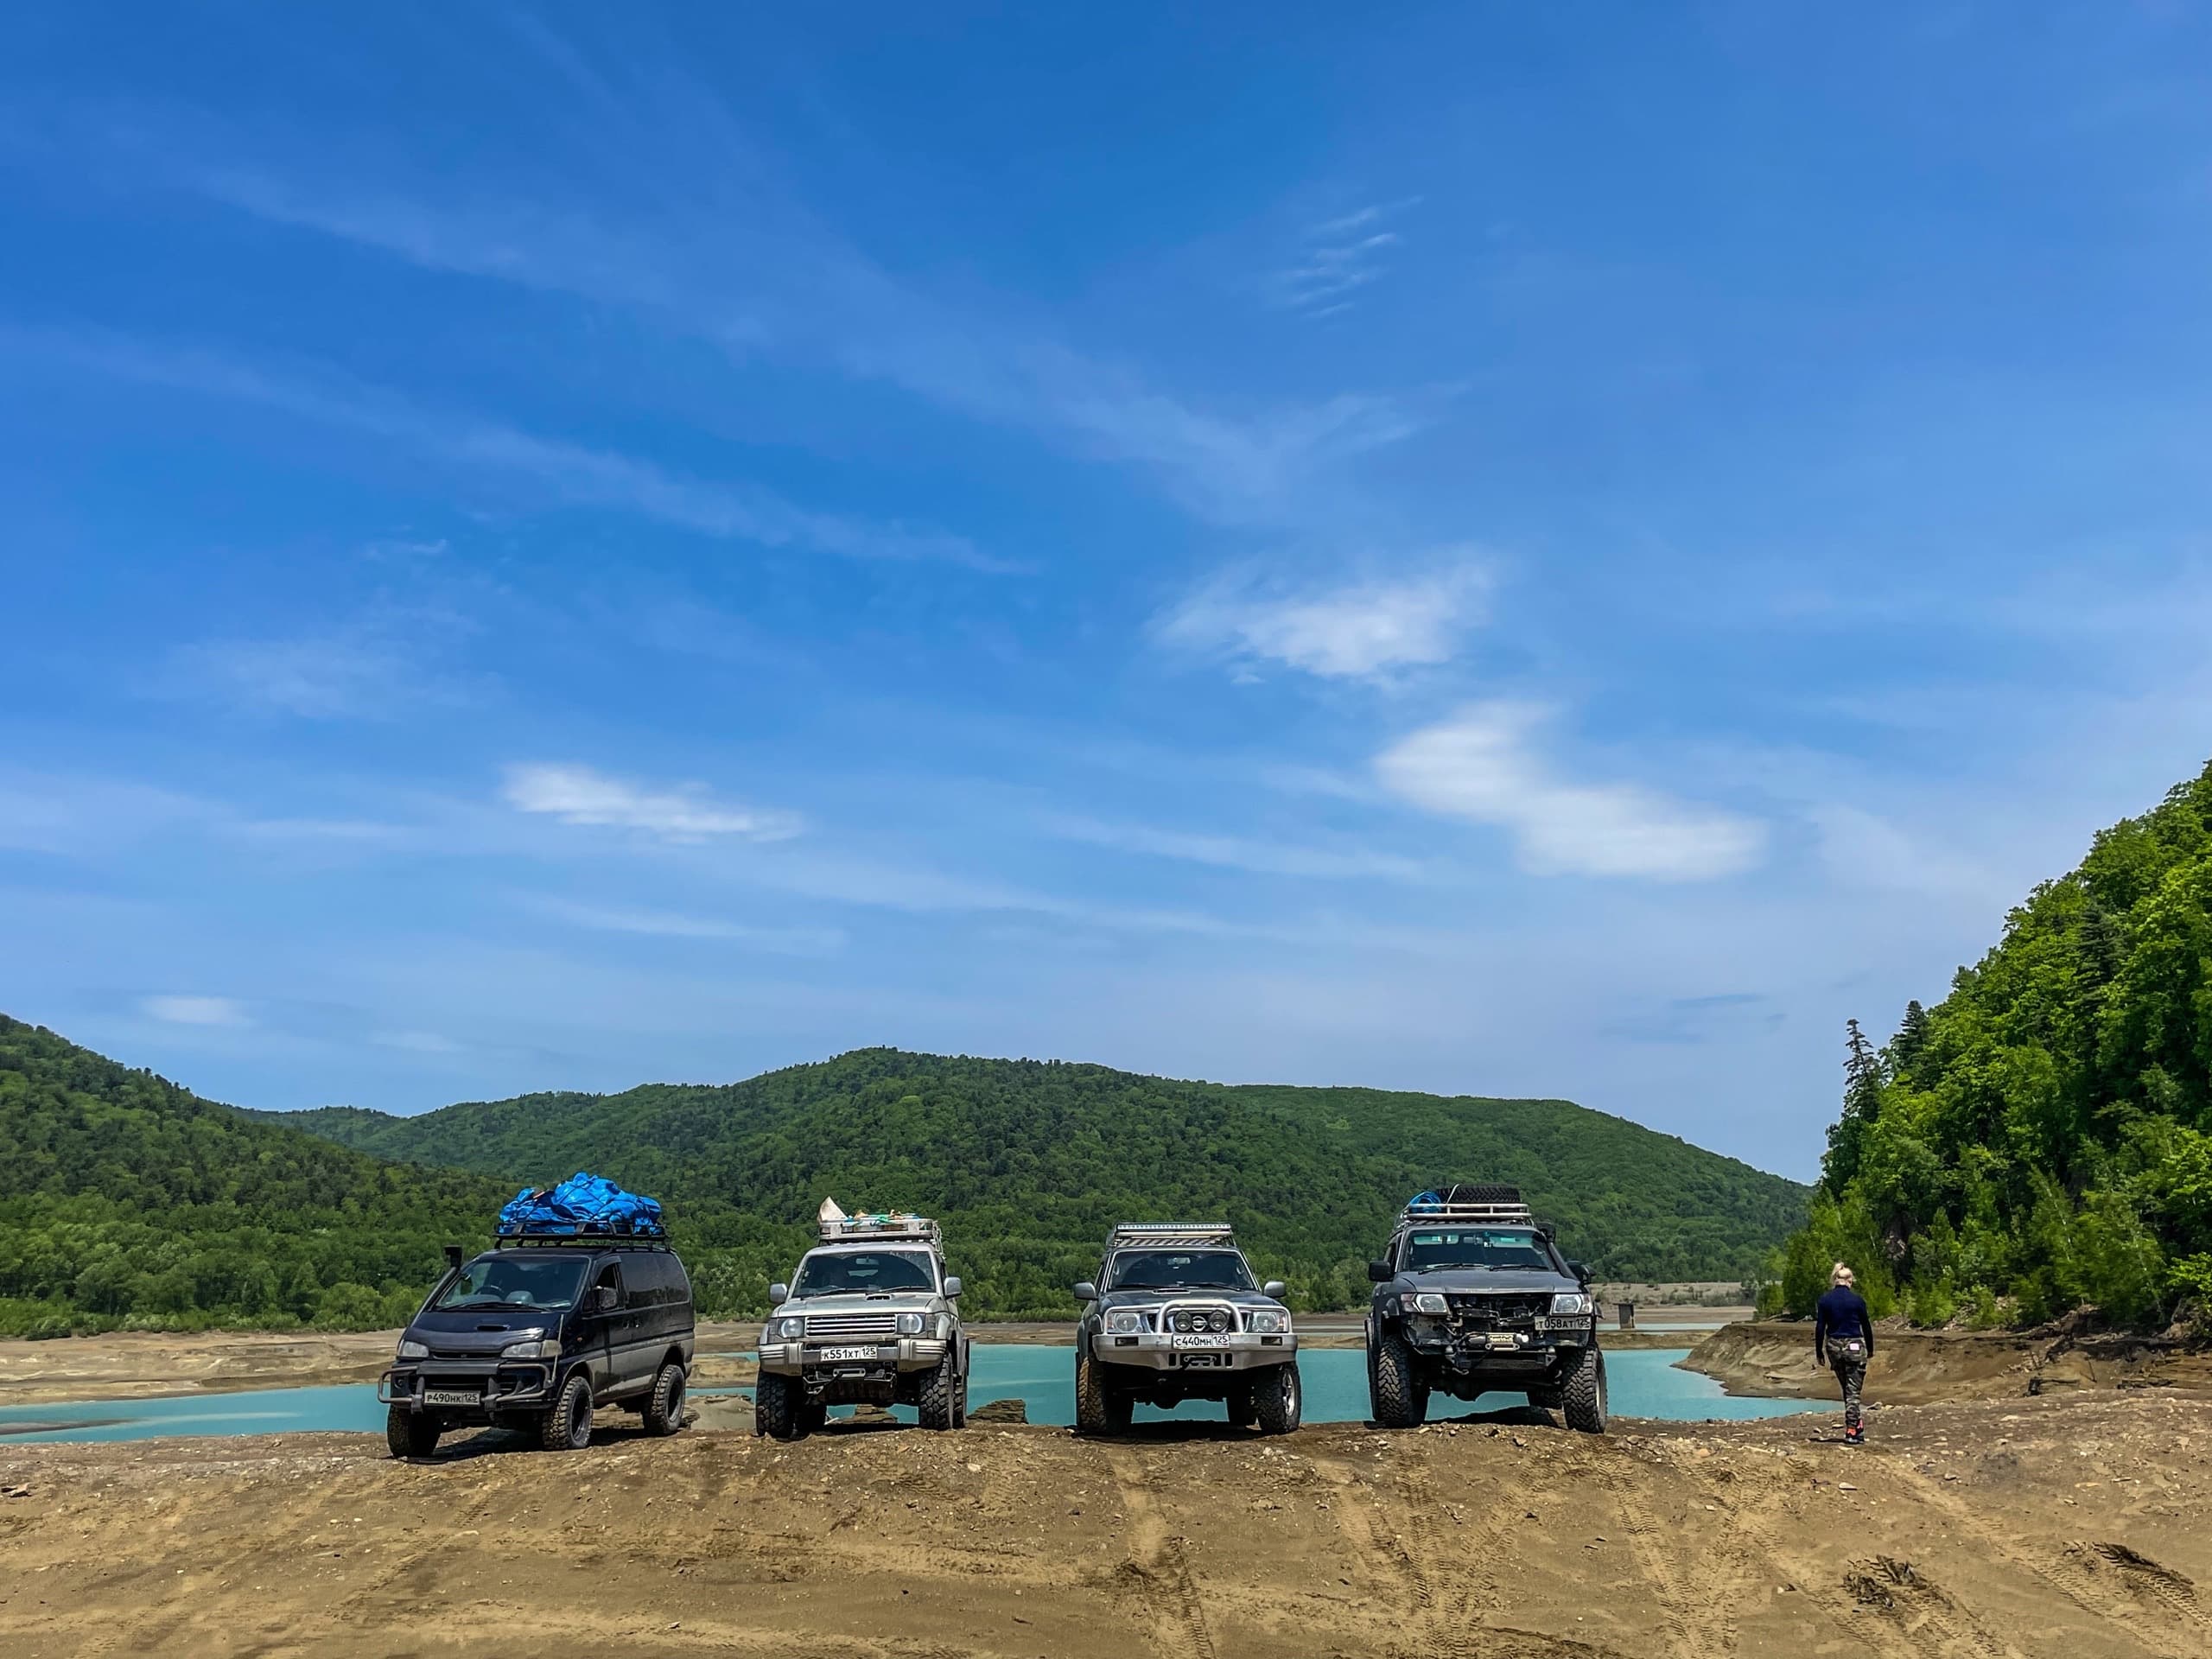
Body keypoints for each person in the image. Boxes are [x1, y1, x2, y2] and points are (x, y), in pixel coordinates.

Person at [1813, 1262, 1874, 1443]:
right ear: (1849, 1280)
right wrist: (1870, 1349)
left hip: (1834, 1347)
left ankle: (1857, 1423)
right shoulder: (1857, 1301)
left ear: (1836, 1279)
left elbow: (1820, 1327)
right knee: (1853, 1392)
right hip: (1855, 1346)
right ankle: (1852, 1430)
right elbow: (1866, 1326)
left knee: (1847, 1389)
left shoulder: (1825, 1300)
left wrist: (1819, 1352)